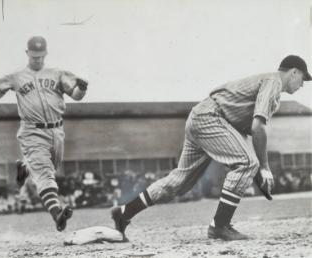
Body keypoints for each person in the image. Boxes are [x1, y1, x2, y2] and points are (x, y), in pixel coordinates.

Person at [111, 55, 311, 241]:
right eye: (302, 77)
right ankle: (220, 225)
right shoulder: (274, 81)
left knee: (178, 182)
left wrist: (257, 169)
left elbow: (246, 132)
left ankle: (124, 212)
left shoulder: (271, 87)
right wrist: (263, 166)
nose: (303, 83)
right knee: (247, 162)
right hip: (211, 117)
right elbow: (258, 128)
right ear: (293, 71)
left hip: (201, 117)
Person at [0, 36, 88, 231]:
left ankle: (24, 168)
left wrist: (82, 88)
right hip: (32, 131)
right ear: (27, 54)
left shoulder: (57, 73)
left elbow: (76, 95)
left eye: (40, 56)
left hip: (57, 131)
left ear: (45, 54)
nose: (37, 60)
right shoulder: (16, 76)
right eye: (34, 56)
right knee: (45, 174)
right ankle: (57, 213)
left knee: (51, 167)